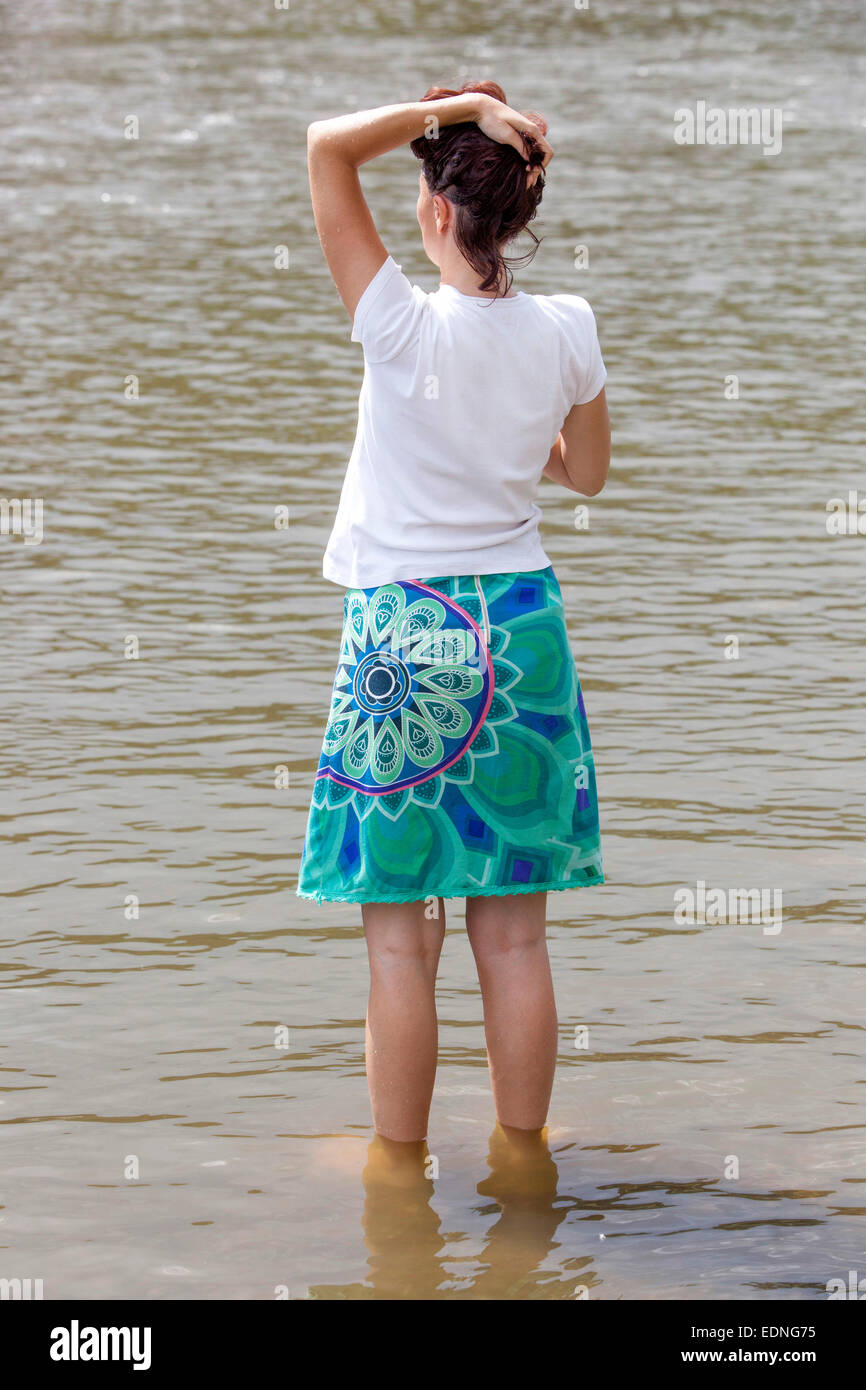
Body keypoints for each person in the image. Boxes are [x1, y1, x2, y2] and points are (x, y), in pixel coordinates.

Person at [297, 81, 610, 1147]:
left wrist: (466, 100)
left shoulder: (394, 320)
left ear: (435, 210)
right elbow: (586, 475)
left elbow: (325, 148)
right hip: (518, 633)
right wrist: (510, 439)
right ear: (519, 212)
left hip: (406, 635)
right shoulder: (568, 326)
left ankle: (397, 1181)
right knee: (514, 942)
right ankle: (523, 1165)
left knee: (399, 946)